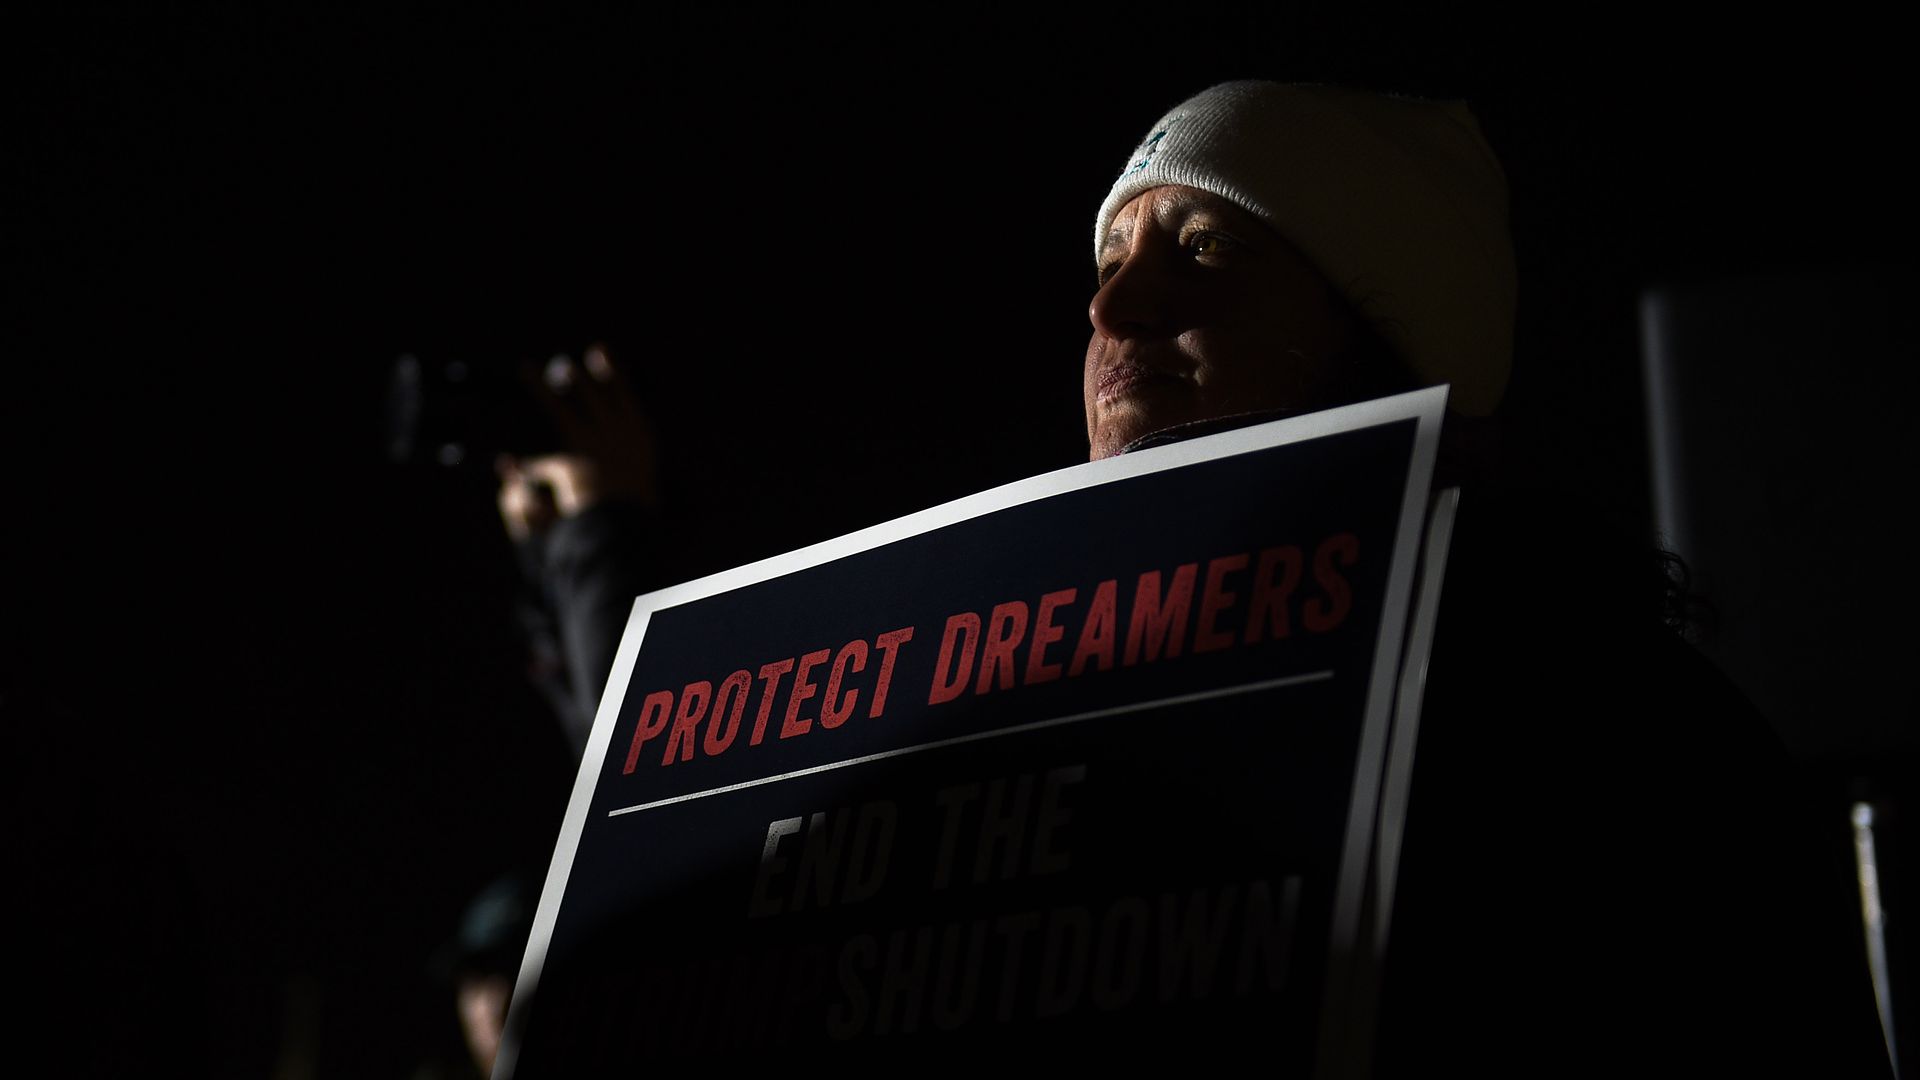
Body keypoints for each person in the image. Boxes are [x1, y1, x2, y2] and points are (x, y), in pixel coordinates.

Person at [1084, 80, 1888, 1076]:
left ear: (1391, 335)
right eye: (1113, 261)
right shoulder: (1045, 740)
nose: (1112, 305)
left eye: (1206, 245)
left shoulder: (1625, 741)